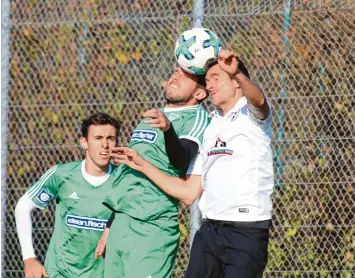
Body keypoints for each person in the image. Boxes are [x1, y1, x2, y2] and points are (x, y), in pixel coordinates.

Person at [112, 49, 274, 278]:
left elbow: (259, 99)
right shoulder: (211, 126)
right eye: (207, 81)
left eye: (216, 78)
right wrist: (141, 164)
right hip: (209, 231)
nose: (210, 86)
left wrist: (236, 71)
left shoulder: (252, 115)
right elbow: (188, 193)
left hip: (246, 230)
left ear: (236, 82)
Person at [97, 67, 210, 278]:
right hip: (122, 223)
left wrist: (168, 130)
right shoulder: (151, 117)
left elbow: (181, 160)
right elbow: (127, 178)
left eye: (186, 75)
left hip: (151, 226)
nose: (176, 75)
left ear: (200, 93)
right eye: (176, 70)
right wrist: (110, 226)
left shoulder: (197, 119)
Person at [15, 112, 121, 278]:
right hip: (60, 273)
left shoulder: (123, 180)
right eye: (98, 138)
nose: (105, 145)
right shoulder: (62, 174)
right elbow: (23, 206)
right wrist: (29, 258)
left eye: (111, 138)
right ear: (84, 142)